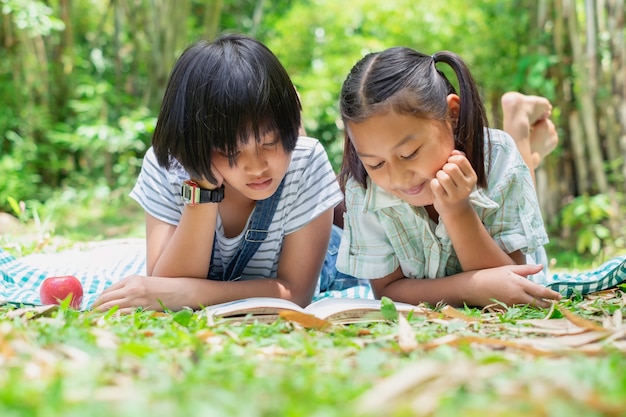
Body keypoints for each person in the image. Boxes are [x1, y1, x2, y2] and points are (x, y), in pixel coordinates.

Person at [94, 33, 351, 313]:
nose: (256, 167)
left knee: (342, 247)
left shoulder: (306, 160)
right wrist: (203, 189)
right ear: (196, 143)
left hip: (323, 248)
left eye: (270, 141)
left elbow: (296, 292)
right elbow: (164, 285)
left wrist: (190, 292)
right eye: (231, 152)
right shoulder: (166, 164)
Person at [336, 46, 563, 308]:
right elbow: (386, 292)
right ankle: (524, 134)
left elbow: (514, 281)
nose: (398, 178)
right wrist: (468, 288)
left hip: (515, 241)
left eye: (409, 154)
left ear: (452, 114)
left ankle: (519, 124)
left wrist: (458, 211)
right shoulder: (362, 186)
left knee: (515, 162)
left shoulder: (498, 155)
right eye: (376, 163)